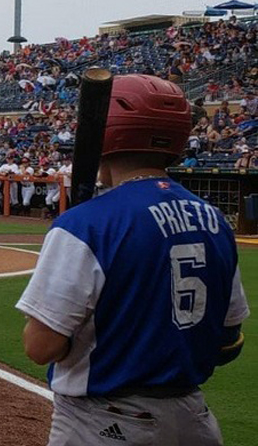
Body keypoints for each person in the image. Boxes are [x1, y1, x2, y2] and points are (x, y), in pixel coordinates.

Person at [16, 75, 249, 445]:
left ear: (103, 135)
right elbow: (228, 342)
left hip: (104, 423)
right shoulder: (214, 219)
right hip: (194, 420)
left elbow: (40, 347)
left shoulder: (84, 224)